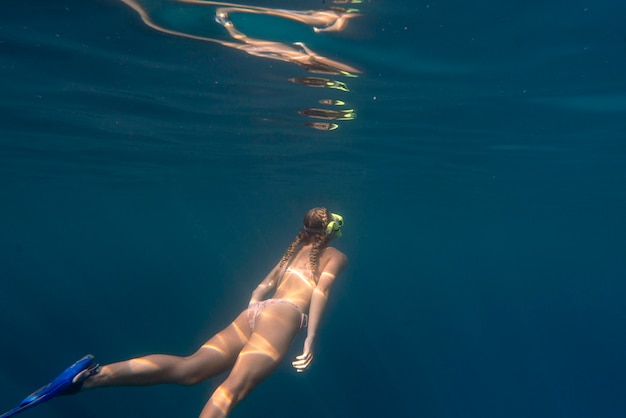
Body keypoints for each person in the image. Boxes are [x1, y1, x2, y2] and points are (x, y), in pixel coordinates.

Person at [1, 207, 347, 418]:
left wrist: (253, 316)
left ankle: (93, 377)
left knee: (190, 368)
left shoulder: (295, 250)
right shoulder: (335, 257)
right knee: (231, 390)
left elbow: (260, 289)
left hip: (256, 312)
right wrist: (310, 340)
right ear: (331, 232)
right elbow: (321, 293)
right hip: (284, 315)